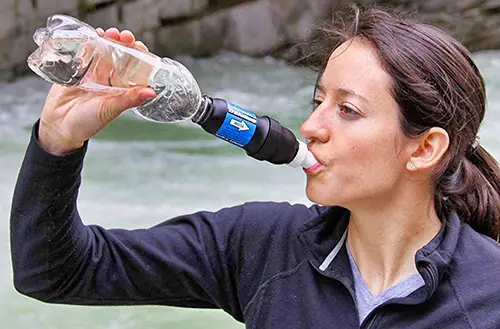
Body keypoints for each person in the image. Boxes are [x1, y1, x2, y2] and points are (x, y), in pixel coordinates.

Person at [10, 6, 500, 328]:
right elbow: (56, 273)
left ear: (424, 149)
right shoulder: (260, 244)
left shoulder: (489, 294)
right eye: (318, 100)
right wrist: (58, 141)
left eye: (347, 110)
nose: (311, 126)